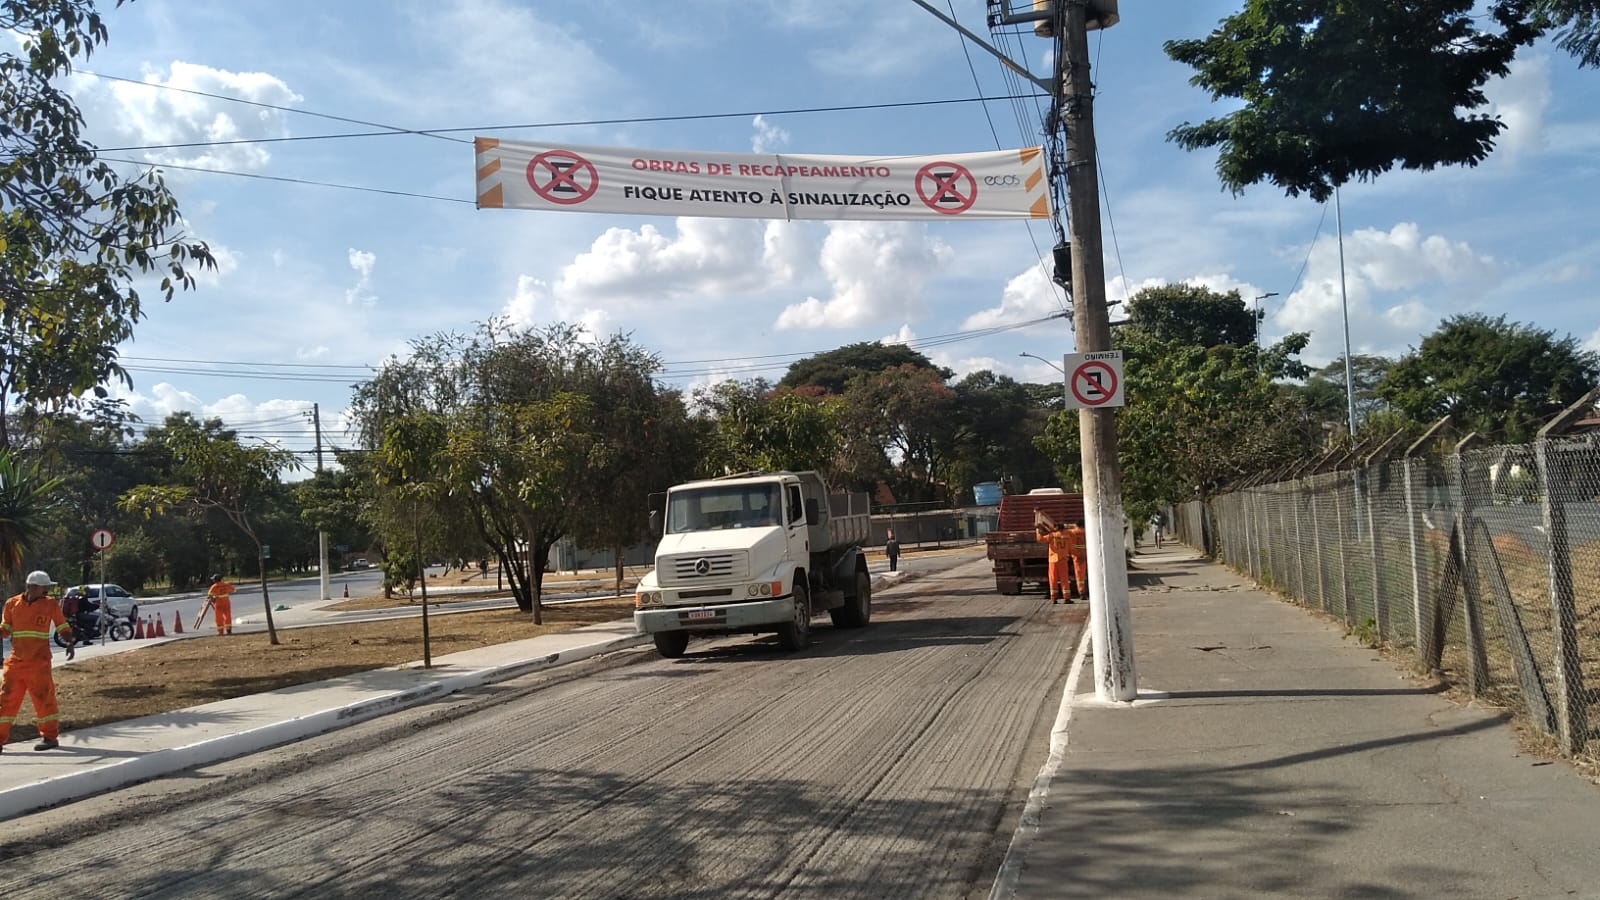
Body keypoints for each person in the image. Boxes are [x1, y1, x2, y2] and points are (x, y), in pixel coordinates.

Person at [0, 570, 74, 752]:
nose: (47, 591)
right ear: (32, 587)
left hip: (39, 663)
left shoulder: (50, 605)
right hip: (15, 663)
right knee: (5, 702)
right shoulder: (12, 604)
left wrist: (69, 641)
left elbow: (61, 624)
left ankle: (49, 737)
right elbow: (5, 630)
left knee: (44, 701)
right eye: (44, 587)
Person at [1035, 522, 1074, 604]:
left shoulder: (1052, 535)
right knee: (1064, 579)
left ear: (1056, 528)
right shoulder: (1067, 536)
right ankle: (1066, 598)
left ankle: (1054, 598)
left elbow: (1040, 539)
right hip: (1063, 560)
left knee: (1053, 579)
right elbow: (1071, 548)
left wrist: (1038, 531)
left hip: (1053, 560)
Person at [1066, 520, 1090, 601]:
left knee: (1079, 575)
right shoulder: (1086, 531)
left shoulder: (1072, 532)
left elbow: (1063, 530)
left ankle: (1082, 592)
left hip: (1076, 555)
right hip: (1086, 554)